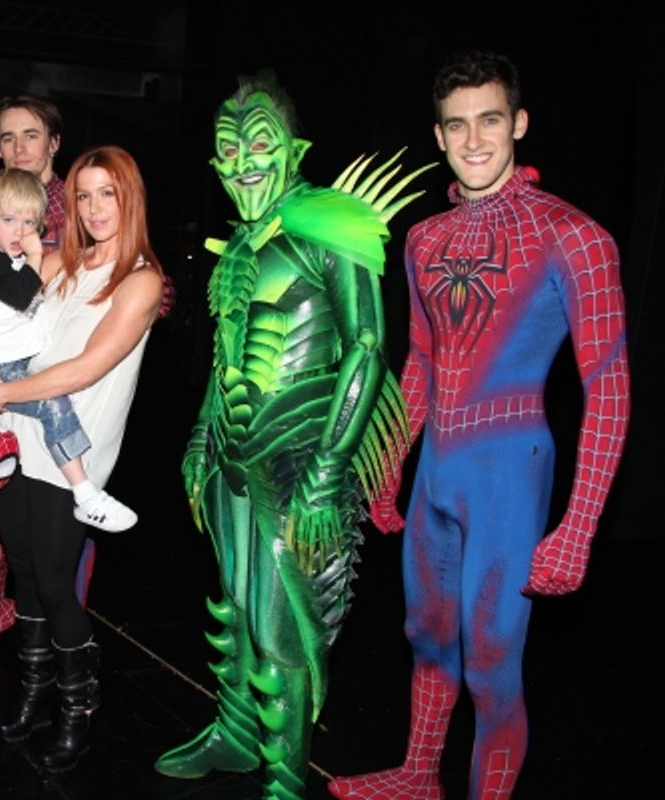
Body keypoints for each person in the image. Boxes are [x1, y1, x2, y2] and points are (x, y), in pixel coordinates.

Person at [328, 50, 630, 800]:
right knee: (427, 638)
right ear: (437, 135)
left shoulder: (576, 236)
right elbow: (420, 364)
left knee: (494, 660)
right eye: (457, 125)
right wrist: (391, 462)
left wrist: (578, 527)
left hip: (510, 470)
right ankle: (417, 774)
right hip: (437, 469)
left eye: (489, 120)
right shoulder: (423, 240)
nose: (473, 140)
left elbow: (610, 385)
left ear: (519, 123)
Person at [154, 71, 428, 800]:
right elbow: (228, 351)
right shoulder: (243, 241)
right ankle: (238, 733)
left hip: (300, 463)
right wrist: (203, 436)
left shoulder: (328, 221)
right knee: (234, 605)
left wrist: (328, 473)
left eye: (261, 141)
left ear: (293, 147)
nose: (243, 158)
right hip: (231, 464)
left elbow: (367, 348)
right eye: (228, 146)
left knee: (285, 629)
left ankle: (286, 778)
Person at [0, 145, 164, 773]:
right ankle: (31, 690)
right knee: (24, 572)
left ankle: (79, 703)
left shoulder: (141, 279)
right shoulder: (59, 266)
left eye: (108, 193)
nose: (95, 207)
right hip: (15, 438)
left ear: (130, 199)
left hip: (70, 454)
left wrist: (0, 392)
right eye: (83, 194)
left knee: (55, 582)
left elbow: (85, 368)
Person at [0, 94, 93, 657]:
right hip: (2, 377)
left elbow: (150, 286)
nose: (17, 148)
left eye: (30, 135)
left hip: (64, 379)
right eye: (6, 138)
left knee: (66, 511)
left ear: (54, 142)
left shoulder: (83, 202)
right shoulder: (0, 204)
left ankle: (63, 633)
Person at [0, 167, 138, 532]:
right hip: (1, 369)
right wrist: (35, 258)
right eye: (9, 219)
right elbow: (19, 295)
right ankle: (86, 493)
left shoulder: (8, 261)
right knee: (54, 406)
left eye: (29, 222)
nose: (20, 231)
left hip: (7, 366)